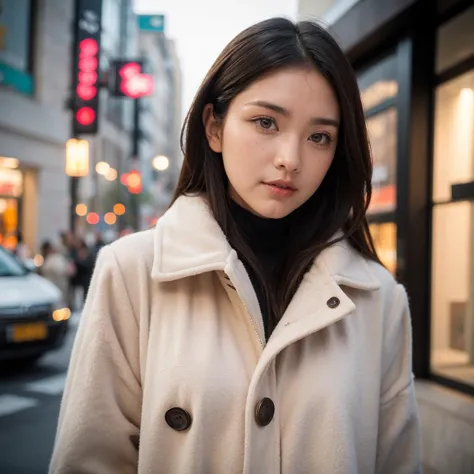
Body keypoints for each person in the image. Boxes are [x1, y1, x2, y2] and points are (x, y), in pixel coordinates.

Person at [50, 18, 421, 474]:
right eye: (266, 122)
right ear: (215, 128)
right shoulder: (132, 273)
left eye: (319, 136)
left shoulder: (378, 299)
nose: (291, 158)